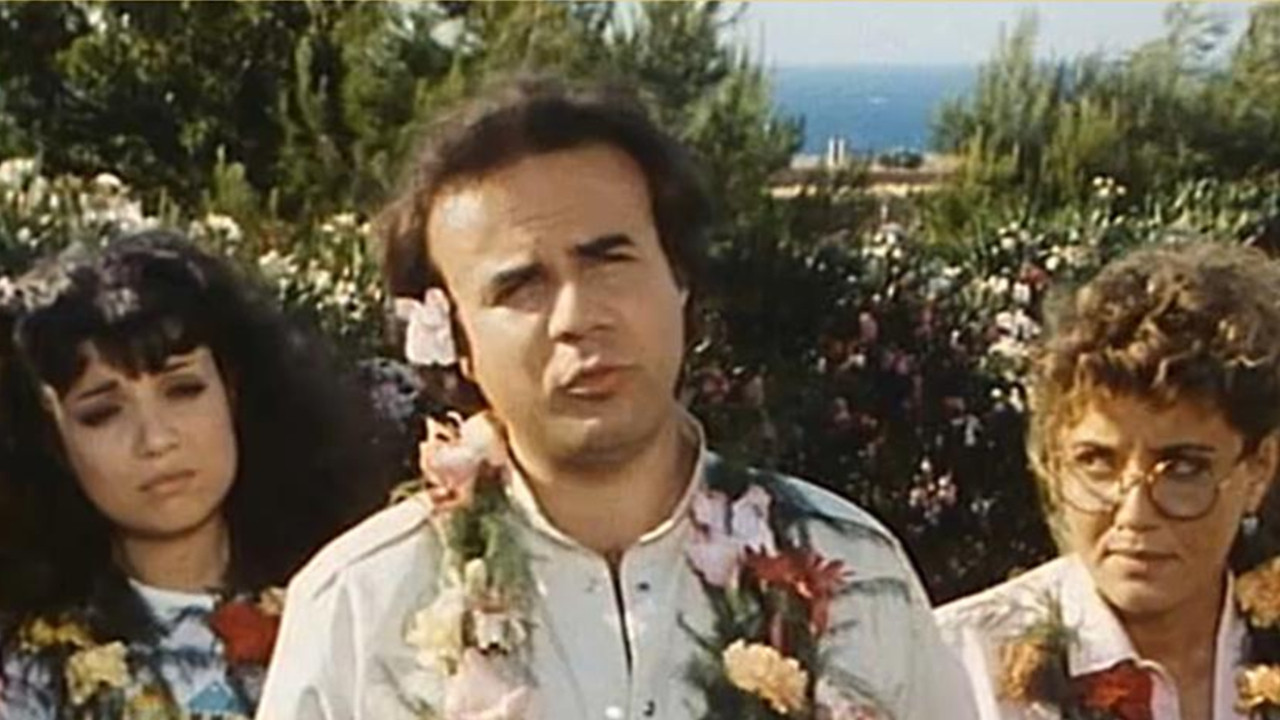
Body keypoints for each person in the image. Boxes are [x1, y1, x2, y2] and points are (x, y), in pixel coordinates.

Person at [257, 76, 977, 720]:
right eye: (521, 286)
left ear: (679, 278)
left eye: (609, 261)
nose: (577, 316)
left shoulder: (854, 572)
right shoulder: (360, 611)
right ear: (455, 340)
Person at [0, 230, 397, 718]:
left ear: (232, 390)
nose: (156, 439)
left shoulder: (353, 595)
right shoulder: (29, 670)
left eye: (183, 391)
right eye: (103, 414)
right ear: (53, 441)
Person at [936, 242, 1280, 720]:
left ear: (1259, 467)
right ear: (1053, 464)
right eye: (1096, 462)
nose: (1135, 513)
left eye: (1183, 468)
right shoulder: (955, 670)